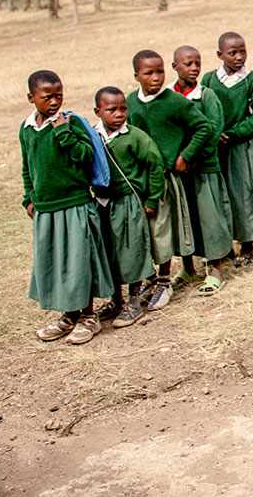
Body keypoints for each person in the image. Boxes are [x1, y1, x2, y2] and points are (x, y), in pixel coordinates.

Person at [21, 70, 115, 345]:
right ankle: (69, 315)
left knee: (78, 261)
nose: (53, 102)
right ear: (31, 98)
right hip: (46, 209)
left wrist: (62, 132)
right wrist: (29, 198)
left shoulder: (70, 124)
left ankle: (88, 316)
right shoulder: (27, 129)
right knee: (57, 261)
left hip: (74, 205)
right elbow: (27, 167)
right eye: (46, 97)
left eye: (58, 95)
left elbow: (86, 157)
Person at [126, 50, 212, 305]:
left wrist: (184, 155)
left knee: (162, 229)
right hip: (138, 179)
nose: (156, 78)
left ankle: (165, 280)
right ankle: (148, 279)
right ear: (136, 76)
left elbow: (202, 126)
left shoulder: (174, 101)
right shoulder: (130, 103)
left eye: (160, 71)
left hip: (163, 178)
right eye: (148, 73)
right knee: (143, 231)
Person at [91, 86, 163, 327]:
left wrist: (151, 199)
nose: (119, 114)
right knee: (109, 252)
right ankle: (115, 300)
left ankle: (134, 301)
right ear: (98, 111)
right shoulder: (93, 137)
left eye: (123, 109)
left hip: (129, 203)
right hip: (103, 203)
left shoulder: (135, 136)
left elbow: (155, 165)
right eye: (111, 110)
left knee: (131, 251)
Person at [169, 46, 235, 301]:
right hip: (178, 171)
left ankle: (215, 268)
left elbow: (212, 131)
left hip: (203, 169)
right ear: (175, 67)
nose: (194, 68)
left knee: (210, 218)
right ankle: (187, 267)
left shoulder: (207, 96)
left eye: (198, 63)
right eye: (188, 64)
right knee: (185, 219)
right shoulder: (169, 97)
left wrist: (190, 157)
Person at [203, 32, 253, 264]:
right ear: (220, 54)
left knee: (244, 193)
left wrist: (234, 134)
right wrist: (214, 135)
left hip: (241, 145)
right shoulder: (210, 80)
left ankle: (247, 243)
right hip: (216, 147)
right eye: (232, 53)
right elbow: (200, 110)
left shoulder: (251, 80)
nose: (239, 57)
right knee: (221, 196)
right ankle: (225, 246)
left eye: (242, 51)